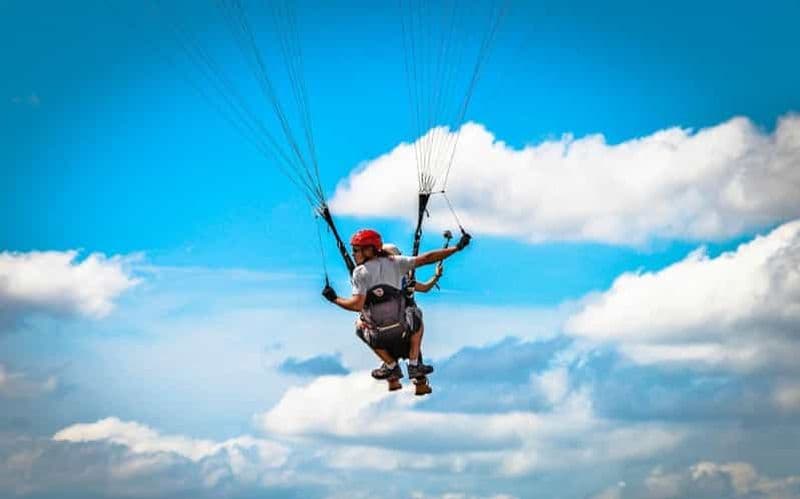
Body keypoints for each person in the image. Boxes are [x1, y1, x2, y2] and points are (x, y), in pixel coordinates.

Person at [322, 228, 470, 382]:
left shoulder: (359, 273)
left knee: (359, 325)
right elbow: (427, 258)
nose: (352, 254)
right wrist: (457, 248)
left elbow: (356, 305)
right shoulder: (397, 263)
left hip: (378, 335)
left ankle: (391, 365)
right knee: (416, 312)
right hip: (402, 328)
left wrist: (334, 299)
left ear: (369, 250)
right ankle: (414, 364)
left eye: (355, 250)